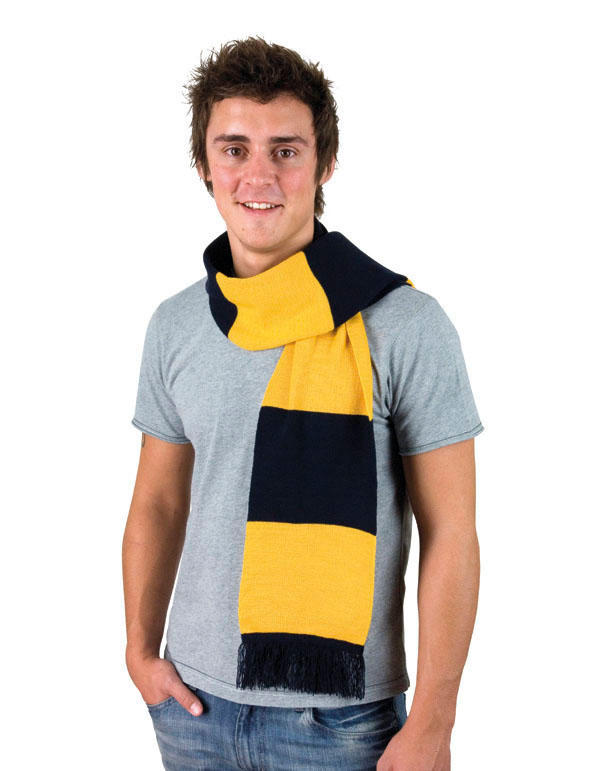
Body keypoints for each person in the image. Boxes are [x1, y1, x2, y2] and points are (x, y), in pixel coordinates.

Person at [122, 35, 484, 771]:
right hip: (190, 709)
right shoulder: (176, 325)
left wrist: (434, 722)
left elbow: (452, 532)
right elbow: (158, 502)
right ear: (203, 164)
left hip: (341, 722)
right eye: (234, 149)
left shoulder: (404, 325)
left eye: (285, 150)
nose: (258, 175)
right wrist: (138, 652)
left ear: (323, 164)